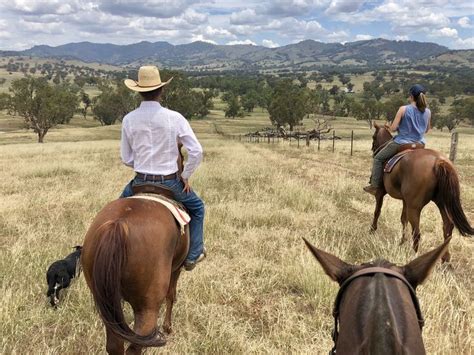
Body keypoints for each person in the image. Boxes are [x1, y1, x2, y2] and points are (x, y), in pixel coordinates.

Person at [119, 65, 206, 271]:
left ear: (139, 92)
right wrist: (185, 175)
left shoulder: (129, 119)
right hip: (170, 183)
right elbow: (196, 151)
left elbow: (126, 158)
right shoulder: (175, 118)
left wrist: (141, 164)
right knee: (198, 208)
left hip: (139, 182)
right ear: (161, 90)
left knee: (115, 212)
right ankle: (193, 255)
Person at [364, 84, 431, 195]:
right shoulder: (428, 112)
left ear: (411, 96)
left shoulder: (403, 109)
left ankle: (374, 186)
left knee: (378, 158)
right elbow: (427, 129)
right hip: (420, 144)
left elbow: (393, 129)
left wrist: (389, 127)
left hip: (402, 143)